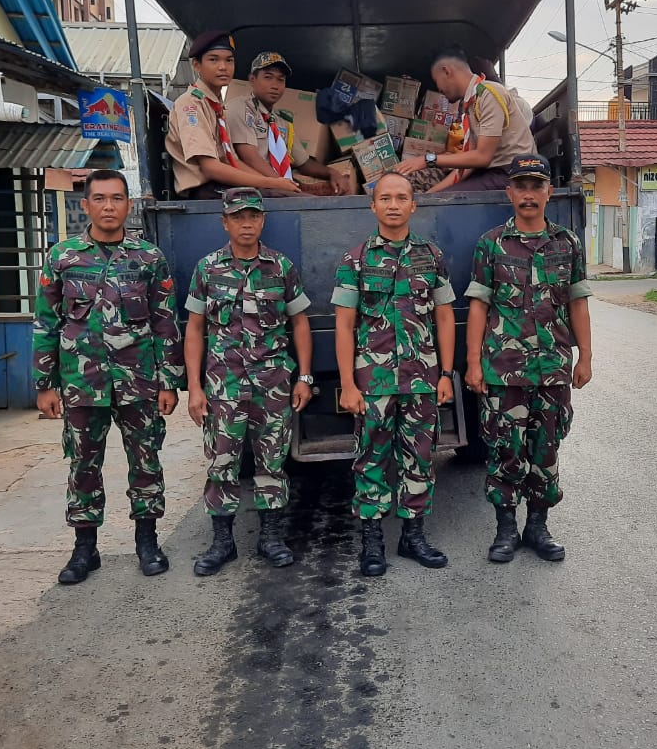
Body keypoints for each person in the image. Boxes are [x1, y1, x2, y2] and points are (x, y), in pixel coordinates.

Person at [32, 170, 184, 584]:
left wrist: (170, 381)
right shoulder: (62, 257)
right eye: (99, 199)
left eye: (117, 199)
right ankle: (85, 550)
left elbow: (165, 322)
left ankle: (147, 542)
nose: (109, 207)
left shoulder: (148, 258)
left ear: (128, 205)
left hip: (139, 381)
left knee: (146, 461)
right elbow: (46, 322)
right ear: (86, 205)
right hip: (82, 383)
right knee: (83, 463)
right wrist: (45, 384)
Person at [464, 154, 593, 563]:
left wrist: (585, 356)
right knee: (505, 448)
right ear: (510, 193)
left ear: (548, 193)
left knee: (546, 448)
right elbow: (479, 307)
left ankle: (538, 527)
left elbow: (577, 302)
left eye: (536, 186)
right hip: (504, 371)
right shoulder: (490, 244)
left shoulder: (567, 243)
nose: (528, 194)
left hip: (552, 368)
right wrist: (472, 363)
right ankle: (505, 530)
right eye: (521, 186)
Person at [184, 187, 314, 575]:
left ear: (262, 220)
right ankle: (222, 542)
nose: (246, 223)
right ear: (225, 221)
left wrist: (304, 375)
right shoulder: (207, 268)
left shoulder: (281, 267)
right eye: (238, 216)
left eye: (253, 216)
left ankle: (270, 537)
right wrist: (194, 386)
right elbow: (194, 330)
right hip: (223, 385)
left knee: (271, 462)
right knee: (221, 463)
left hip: (273, 382)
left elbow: (300, 322)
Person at [332, 173, 456, 577]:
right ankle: (372, 543)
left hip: (421, 379)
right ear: (372, 206)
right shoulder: (356, 260)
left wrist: (445, 374)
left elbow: (443, 316)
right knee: (370, 459)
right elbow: (344, 325)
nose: (393, 205)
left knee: (420, 458)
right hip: (374, 383)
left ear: (413, 205)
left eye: (401, 197)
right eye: (385, 198)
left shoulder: (431, 256)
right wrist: (348, 385)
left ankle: (413, 536)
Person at [165, 31, 302, 200]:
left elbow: (232, 162)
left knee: (291, 194)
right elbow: (211, 168)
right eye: (213, 60)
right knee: (289, 199)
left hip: (222, 184)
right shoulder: (191, 104)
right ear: (196, 65)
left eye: (229, 60)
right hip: (204, 191)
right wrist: (271, 184)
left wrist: (272, 181)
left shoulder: (215, 105)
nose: (223, 67)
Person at [393, 45, 536, 192]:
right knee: (438, 199)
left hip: (515, 175)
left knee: (449, 203)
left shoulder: (489, 94)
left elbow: (483, 157)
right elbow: (470, 163)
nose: (439, 89)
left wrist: (427, 160)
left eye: (437, 81)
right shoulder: (471, 104)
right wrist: (430, 196)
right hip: (494, 173)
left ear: (446, 71)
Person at [224, 51, 355, 195]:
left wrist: (332, 173)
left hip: (278, 187)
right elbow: (250, 158)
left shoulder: (281, 122)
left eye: (281, 80)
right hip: (254, 187)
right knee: (311, 204)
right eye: (268, 77)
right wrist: (282, 183)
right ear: (252, 79)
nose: (275, 85)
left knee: (335, 194)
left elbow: (304, 163)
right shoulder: (240, 108)